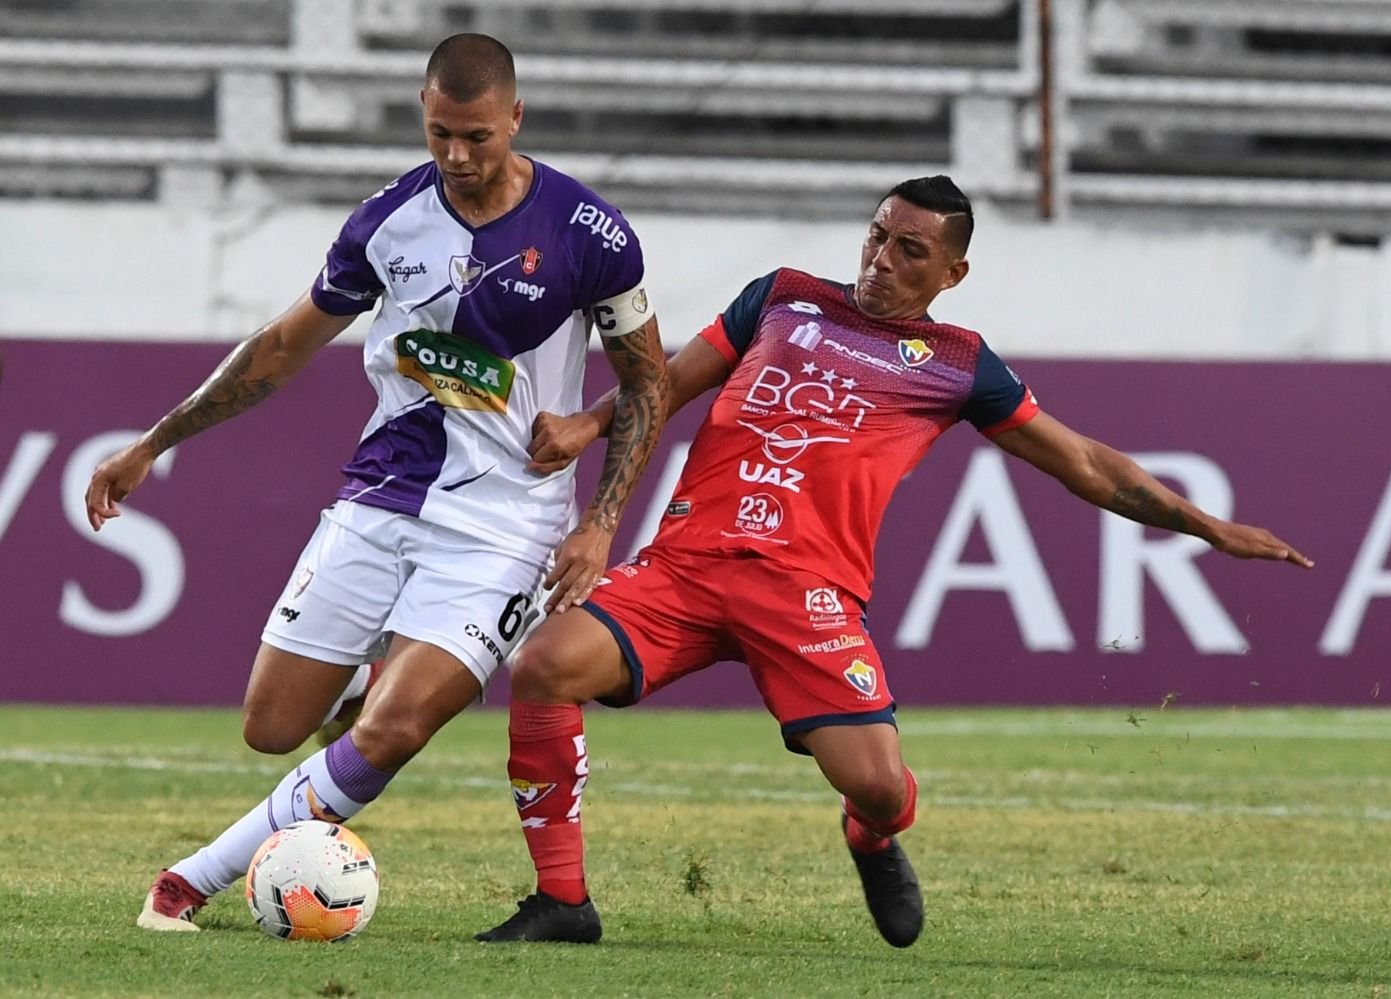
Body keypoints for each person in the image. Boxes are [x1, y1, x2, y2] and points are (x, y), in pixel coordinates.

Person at [474, 175, 1313, 947]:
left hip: (807, 593)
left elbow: (1085, 463)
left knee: (880, 787)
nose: (881, 259)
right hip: (685, 565)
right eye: (878, 235)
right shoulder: (782, 296)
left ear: (954, 271)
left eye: (910, 250)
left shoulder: (957, 364)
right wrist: (587, 425)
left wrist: (1208, 526)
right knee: (545, 663)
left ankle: (867, 831)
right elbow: (669, 382)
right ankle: (564, 900)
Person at [83, 33, 669, 931]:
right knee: (273, 727)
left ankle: (190, 879)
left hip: (505, 526)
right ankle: (361, 694)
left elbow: (646, 381)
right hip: (381, 497)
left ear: (515, 117)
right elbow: (280, 347)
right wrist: (153, 441)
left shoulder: (591, 236)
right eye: (440, 134)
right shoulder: (387, 222)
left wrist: (599, 522)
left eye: (477, 135)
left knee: (392, 734)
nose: (458, 157)